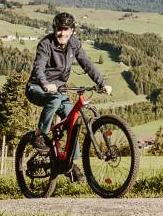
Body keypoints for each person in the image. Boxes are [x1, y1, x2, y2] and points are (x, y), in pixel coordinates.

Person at [26, 11, 111, 182]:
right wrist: (44, 84)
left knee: (74, 119)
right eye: (59, 29)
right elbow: (38, 67)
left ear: (72, 30)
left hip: (59, 90)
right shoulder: (46, 44)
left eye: (66, 29)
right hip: (37, 88)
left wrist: (102, 82)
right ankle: (39, 135)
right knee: (55, 99)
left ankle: (71, 164)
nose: (62, 33)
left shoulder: (74, 44)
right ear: (54, 29)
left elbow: (87, 64)